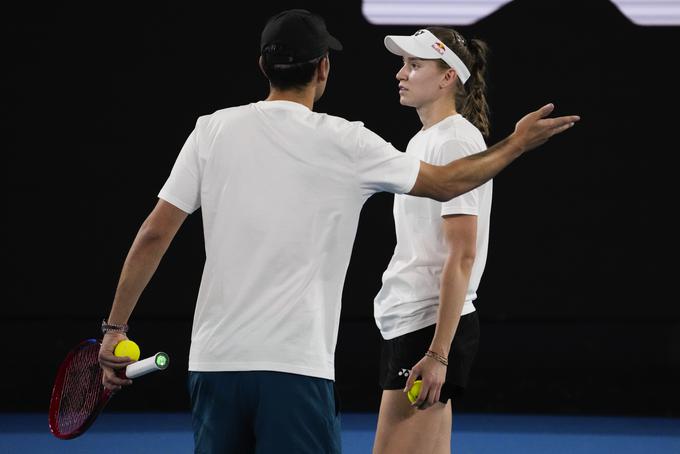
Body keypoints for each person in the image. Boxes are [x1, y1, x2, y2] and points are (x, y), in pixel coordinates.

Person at [97, 8, 579, 454]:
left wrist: (114, 329)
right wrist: (516, 144)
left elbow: (154, 235)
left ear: (263, 66)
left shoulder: (210, 129)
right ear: (323, 69)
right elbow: (449, 183)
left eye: (414, 64)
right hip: (297, 369)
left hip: (214, 364)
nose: (401, 73)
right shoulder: (350, 140)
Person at [371, 27, 502, 454]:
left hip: (429, 329)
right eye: (403, 64)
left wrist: (438, 353)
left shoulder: (456, 142)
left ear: (448, 78)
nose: (400, 73)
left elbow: (462, 255)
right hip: (415, 322)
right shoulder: (423, 141)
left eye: (414, 65)